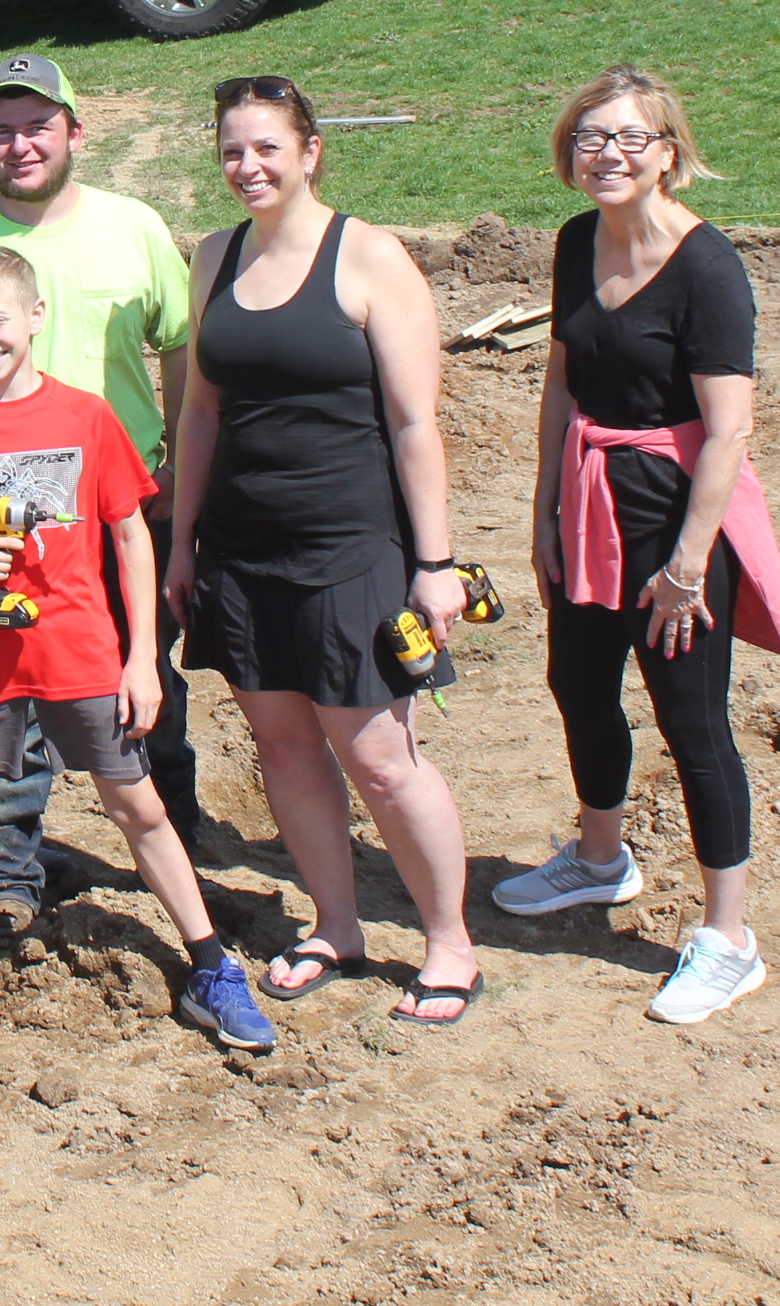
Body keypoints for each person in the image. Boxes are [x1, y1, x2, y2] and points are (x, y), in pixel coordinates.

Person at [0, 246, 273, 1051]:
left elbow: (130, 532)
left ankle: (210, 961)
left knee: (136, 806)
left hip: (83, 653)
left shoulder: (85, 416)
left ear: (34, 318)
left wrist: (140, 657)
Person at [166, 76, 484, 1024]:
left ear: (310, 152)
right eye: (232, 150)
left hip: (351, 549)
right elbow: (199, 414)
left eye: (267, 147)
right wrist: (183, 543)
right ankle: (336, 923)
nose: (247, 166)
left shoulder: (371, 258)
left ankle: (450, 944)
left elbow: (416, 423)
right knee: (282, 741)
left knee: (380, 755)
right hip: (240, 550)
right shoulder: (214, 256)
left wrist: (434, 565)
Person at [495, 64, 780, 1026]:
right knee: (578, 686)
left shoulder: (709, 269)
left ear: (669, 153)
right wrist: (545, 505)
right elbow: (561, 382)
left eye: (631, 138)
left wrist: (686, 568)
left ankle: (729, 941)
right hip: (589, 506)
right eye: (592, 137)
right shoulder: (576, 241)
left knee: (692, 721)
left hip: (675, 516)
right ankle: (600, 861)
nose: (610, 154)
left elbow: (728, 431)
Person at [0, 51, 200, 935]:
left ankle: (179, 834)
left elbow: (181, 343)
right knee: (5, 701)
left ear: (73, 132)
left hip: (124, 503)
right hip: (7, 530)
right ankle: (10, 874)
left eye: (36, 126)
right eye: (1, 130)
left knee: (142, 675)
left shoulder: (133, 226)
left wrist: (171, 457)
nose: (20, 145)